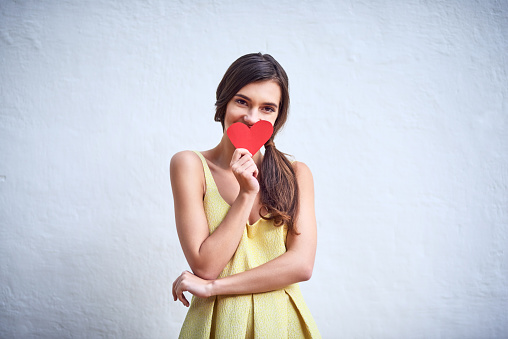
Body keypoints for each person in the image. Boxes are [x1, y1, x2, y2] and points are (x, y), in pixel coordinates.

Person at [170, 53, 321, 338]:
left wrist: (213, 288)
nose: (252, 117)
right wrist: (246, 194)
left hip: (282, 323)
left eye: (267, 108)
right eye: (242, 101)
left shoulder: (297, 174)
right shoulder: (189, 165)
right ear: (223, 102)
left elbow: (301, 265)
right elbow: (206, 265)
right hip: (217, 324)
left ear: (278, 117)